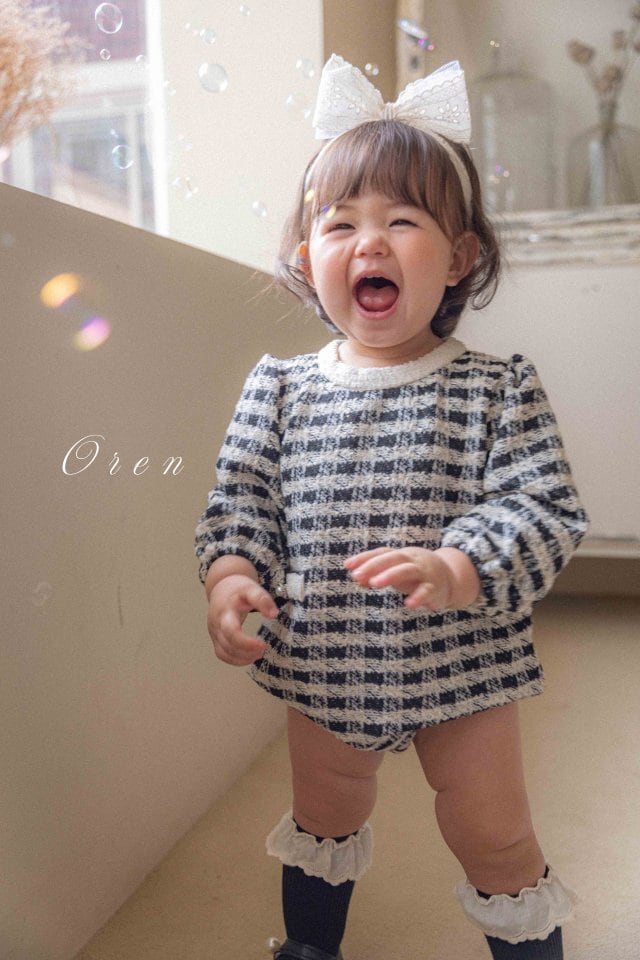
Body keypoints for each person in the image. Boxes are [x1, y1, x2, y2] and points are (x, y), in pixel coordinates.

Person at [195, 55, 589, 960]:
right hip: (324, 658)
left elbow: (543, 505)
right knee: (324, 814)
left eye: (402, 221)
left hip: (465, 664)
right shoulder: (280, 389)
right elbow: (242, 497)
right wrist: (231, 574)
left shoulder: (497, 387)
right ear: (309, 261)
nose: (368, 243)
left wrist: (459, 564)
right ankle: (311, 948)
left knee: (493, 833)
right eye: (340, 224)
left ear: (460, 257)